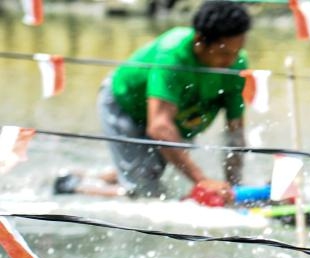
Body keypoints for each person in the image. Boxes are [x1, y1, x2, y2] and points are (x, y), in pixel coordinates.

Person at [54, 0, 251, 201]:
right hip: (127, 107)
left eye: (237, 52)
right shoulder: (173, 56)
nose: (231, 61)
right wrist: (202, 181)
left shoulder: (237, 64)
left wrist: (234, 187)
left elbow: (235, 132)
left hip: (175, 117)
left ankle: (98, 176)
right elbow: (159, 127)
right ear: (200, 40)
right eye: (224, 53)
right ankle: (72, 185)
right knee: (146, 195)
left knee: (156, 172)